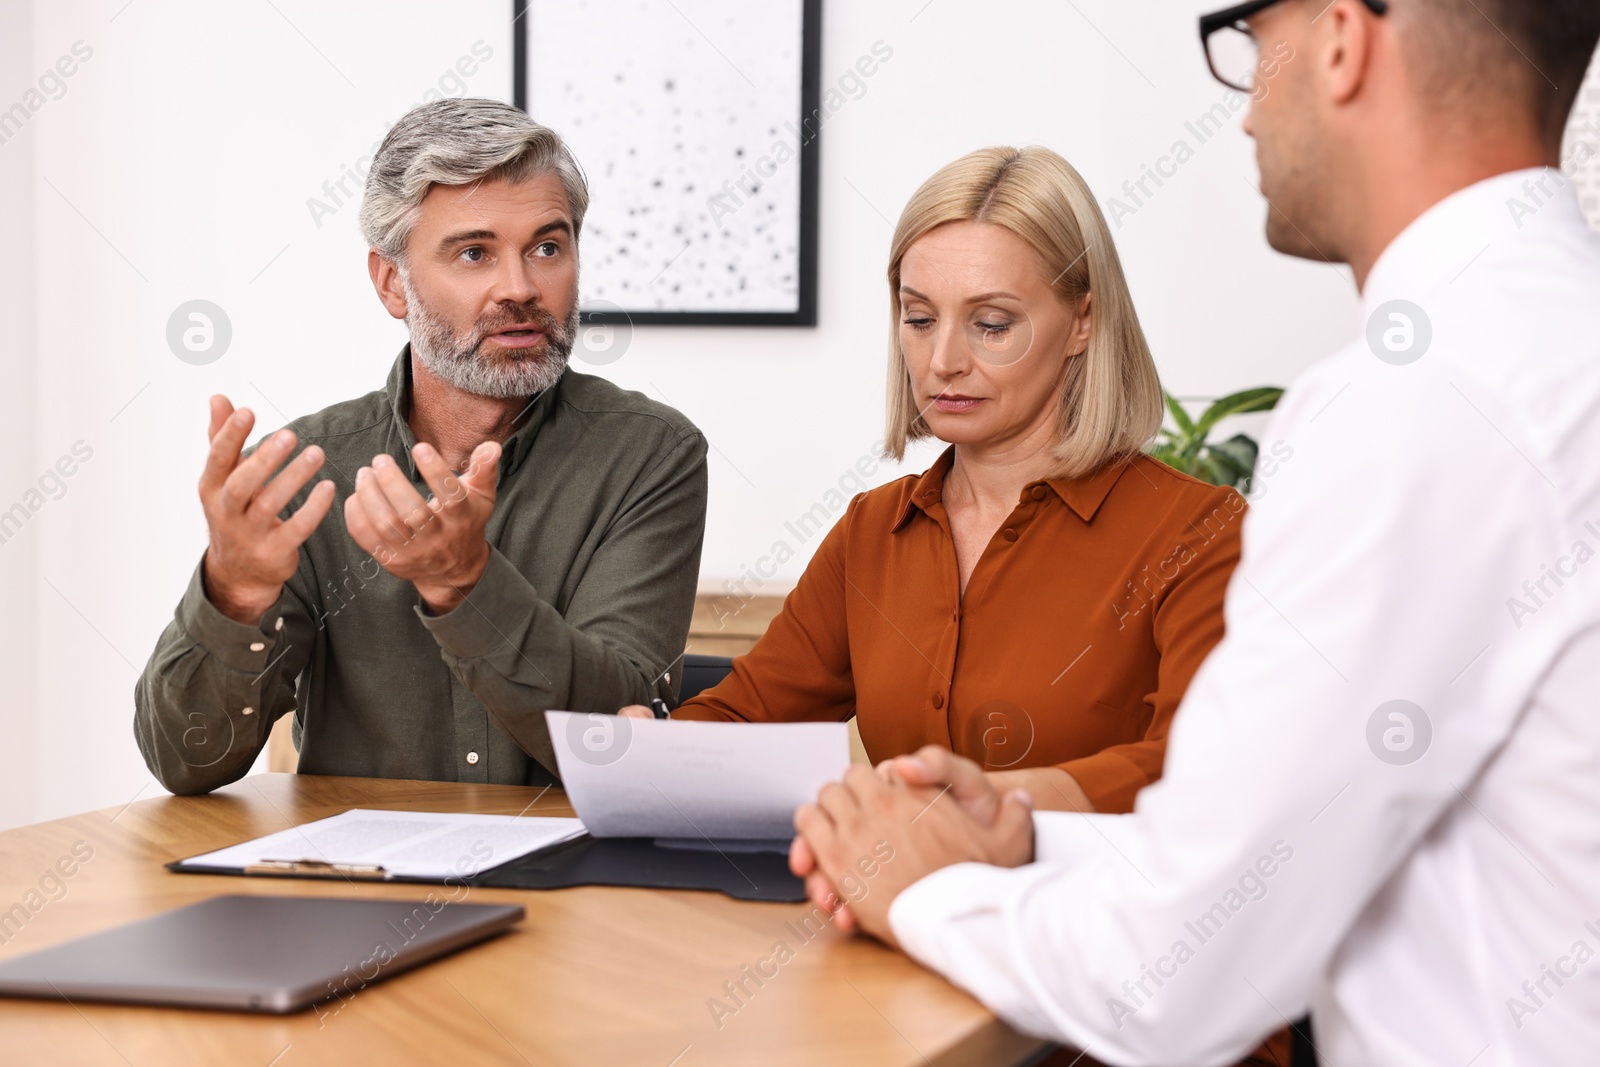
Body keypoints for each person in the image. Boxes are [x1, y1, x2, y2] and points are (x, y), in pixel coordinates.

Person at [791, 1, 1600, 1064]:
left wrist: (926, 885)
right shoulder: (1551, 340)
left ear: (1345, 39)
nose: (1244, 117)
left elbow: (1178, 970)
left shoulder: (1421, 398)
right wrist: (1031, 831)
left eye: (1251, 48)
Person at [628, 145, 1249, 821]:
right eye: (919, 319)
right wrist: (659, 752)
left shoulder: (1198, 531)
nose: (944, 360)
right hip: (896, 917)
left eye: (991, 324)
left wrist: (990, 806)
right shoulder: (873, 531)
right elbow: (752, 717)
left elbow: (1204, 766)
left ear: (1083, 321)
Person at [134, 98, 707, 795]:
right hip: (351, 888)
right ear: (390, 283)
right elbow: (186, 760)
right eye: (474, 253)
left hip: (571, 888)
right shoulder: (309, 469)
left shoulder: (651, 456)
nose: (520, 287)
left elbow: (621, 747)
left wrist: (466, 585)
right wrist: (234, 591)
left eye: (547, 248)